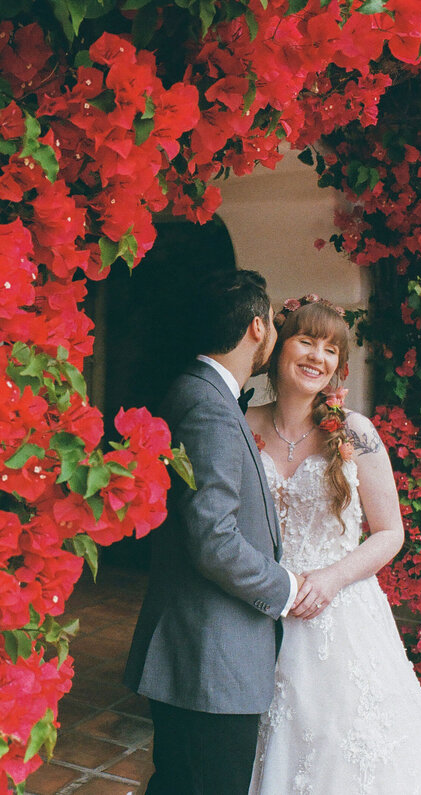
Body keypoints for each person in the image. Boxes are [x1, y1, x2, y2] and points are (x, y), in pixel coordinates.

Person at [244, 296, 421, 794]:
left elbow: (391, 533)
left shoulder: (356, 433)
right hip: (262, 605)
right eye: (306, 341)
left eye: (330, 349)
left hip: (338, 609)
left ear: (338, 367)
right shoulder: (246, 425)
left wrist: (331, 578)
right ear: (279, 348)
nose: (317, 357)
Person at [123, 269, 303, 795]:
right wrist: (285, 587)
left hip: (194, 646)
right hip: (210, 654)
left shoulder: (201, 391)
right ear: (255, 328)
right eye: (272, 322)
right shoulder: (209, 406)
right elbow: (214, 539)